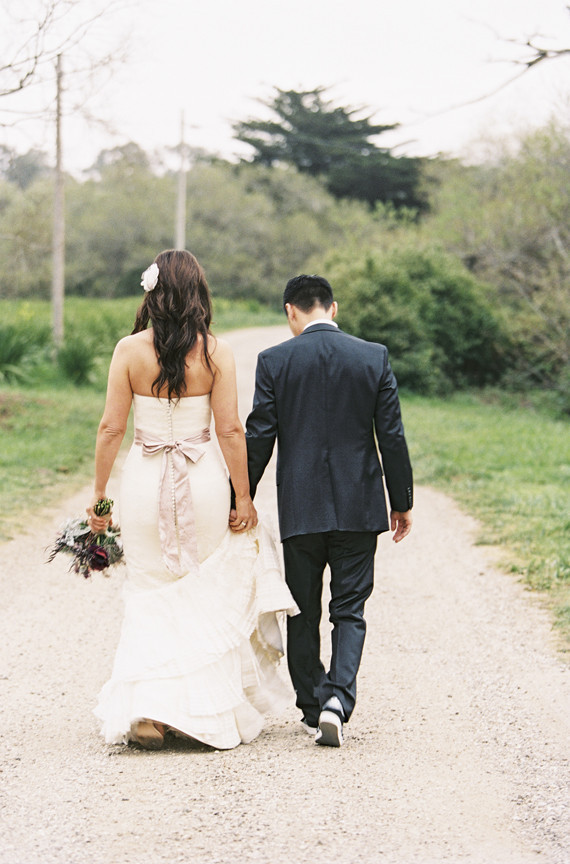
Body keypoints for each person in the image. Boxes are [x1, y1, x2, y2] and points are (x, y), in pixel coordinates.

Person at [88, 249, 298, 751]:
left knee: (149, 587)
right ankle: (194, 713)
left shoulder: (129, 350)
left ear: (151, 291)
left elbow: (112, 427)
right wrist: (242, 496)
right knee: (200, 584)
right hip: (203, 481)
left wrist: (99, 499)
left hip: (144, 480)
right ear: (197, 292)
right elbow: (229, 429)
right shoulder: (215, 352)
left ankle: (147, 715)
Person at [244, 274, 413, 747]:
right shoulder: (372, 356)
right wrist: (402, 501)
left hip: (301, 506)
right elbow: (392, 436)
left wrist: (243, 496)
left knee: (302, 609)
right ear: (332, 309)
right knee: (350, 608)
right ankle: (339, 700)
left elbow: (258, 435)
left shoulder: (275, 361)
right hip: (360, 505)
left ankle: (313, 703)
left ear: (290, 312)